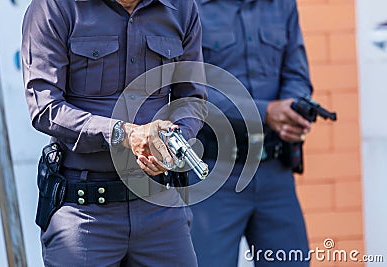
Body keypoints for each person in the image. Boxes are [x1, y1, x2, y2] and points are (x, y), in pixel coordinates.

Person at [21, 0, 206, 266]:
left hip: (161, 207)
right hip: (84, 211)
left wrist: (170, 146)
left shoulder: (182, 8)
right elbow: (45, 108)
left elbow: (191, 99)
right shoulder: (54, 6)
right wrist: (124, 134)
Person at [190, 0, 312, 266]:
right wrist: (266, 112)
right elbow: (190, 92)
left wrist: (295, 107)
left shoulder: (283, 5)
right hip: (212, 175)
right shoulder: (188, 7)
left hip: (275, 175)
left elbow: (297, 74)